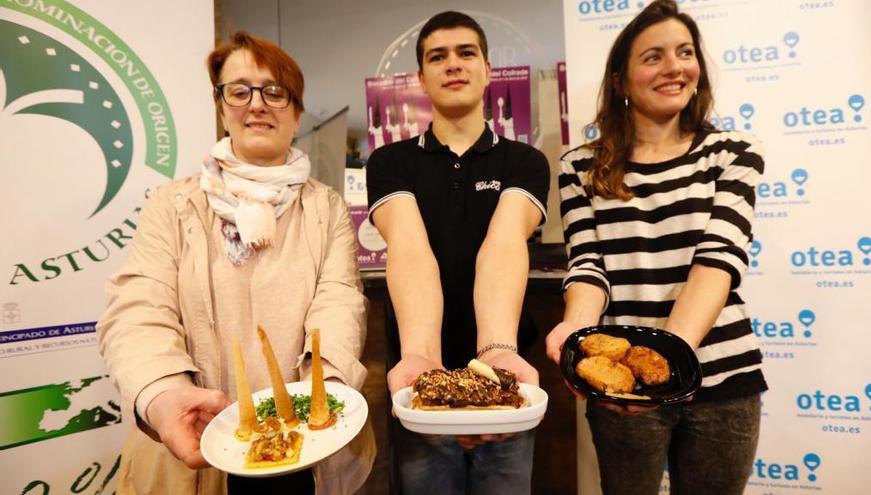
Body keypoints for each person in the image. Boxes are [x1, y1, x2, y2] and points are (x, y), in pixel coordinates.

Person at [96, 32, 374, 495]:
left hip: (304, 444)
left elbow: (340, 300)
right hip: (199, 445)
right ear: (222, 106)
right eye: (240, 90)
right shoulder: (174, 204)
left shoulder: (326, 208)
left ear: (297, 110)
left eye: (275, 91)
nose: (257, 104)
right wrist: (165, 395)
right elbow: (138, 307)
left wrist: (324, 388)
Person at [546, 1, 767, 494]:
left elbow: (718, 260)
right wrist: (576, 329)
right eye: (653, 56)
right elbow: (588, 265)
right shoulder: (579, 166)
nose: (674, 67)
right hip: (621, 384)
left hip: (722, 379)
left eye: (685, 52)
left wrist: (671, 363)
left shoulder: (733, 153)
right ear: (621, 80)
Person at [366, 11, 549, 495]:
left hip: (508, 384)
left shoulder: (526, 162)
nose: (453, 64)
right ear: (421, 78)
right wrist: (423, 357)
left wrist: (497, 354)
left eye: (466, 53)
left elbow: (506, 243)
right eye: (437, 57)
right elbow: (408, 248)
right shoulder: (389, 162)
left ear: (488, 70)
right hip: (417, 382)